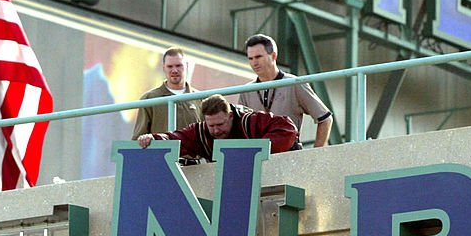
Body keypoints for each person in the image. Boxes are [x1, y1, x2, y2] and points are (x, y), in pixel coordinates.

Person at [235, 34, 333, 148]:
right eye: (250, 58)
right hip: (256, 155)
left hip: (289, 152)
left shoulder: (294, 83)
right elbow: (240, 130)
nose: (254, 63)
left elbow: (325, 118)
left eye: (258, 57)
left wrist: (316, 154)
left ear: (273, 56)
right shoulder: (247, 90)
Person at [137, 94, 299, 160]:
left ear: (230, 116)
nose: (215, 130)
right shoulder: (200, 132)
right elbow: (176, 138)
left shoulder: (249, 121)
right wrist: (154, 138)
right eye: (211, 125)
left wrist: (256, 152)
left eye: (220, 124)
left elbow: (288, 128)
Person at [131, 47, 201, 140]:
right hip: (163, 154)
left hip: (193, 155)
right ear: (164, 68)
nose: (174, 70)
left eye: (179, 65)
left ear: (186, 66)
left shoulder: (201, 98)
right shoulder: (149, 99)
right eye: (170, 66)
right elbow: (138, 139)